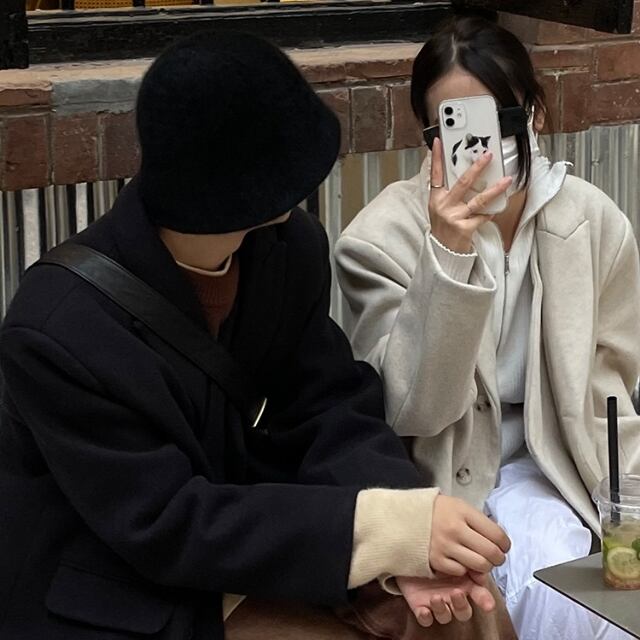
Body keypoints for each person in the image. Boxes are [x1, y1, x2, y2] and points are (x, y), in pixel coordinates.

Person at [0, 31, 514, 640]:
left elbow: (329, 405)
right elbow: (163, 522)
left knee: (470, 612)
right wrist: (381, 531)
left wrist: (406, 535)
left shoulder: (285, 248)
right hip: (126, 586)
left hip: (263, 531)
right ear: (245, 190)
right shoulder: (58, 328)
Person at [335, 15, 640, 640]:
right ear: (428, 138)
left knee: (574, 590)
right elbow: (411, 411)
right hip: (440, 476)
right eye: (453, 125)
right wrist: (447, 252)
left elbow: (610, 399)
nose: (482, 144)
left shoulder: (594, 224)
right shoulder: (378, 239)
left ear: (536, 114)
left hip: (556, 468)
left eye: (500, 118)